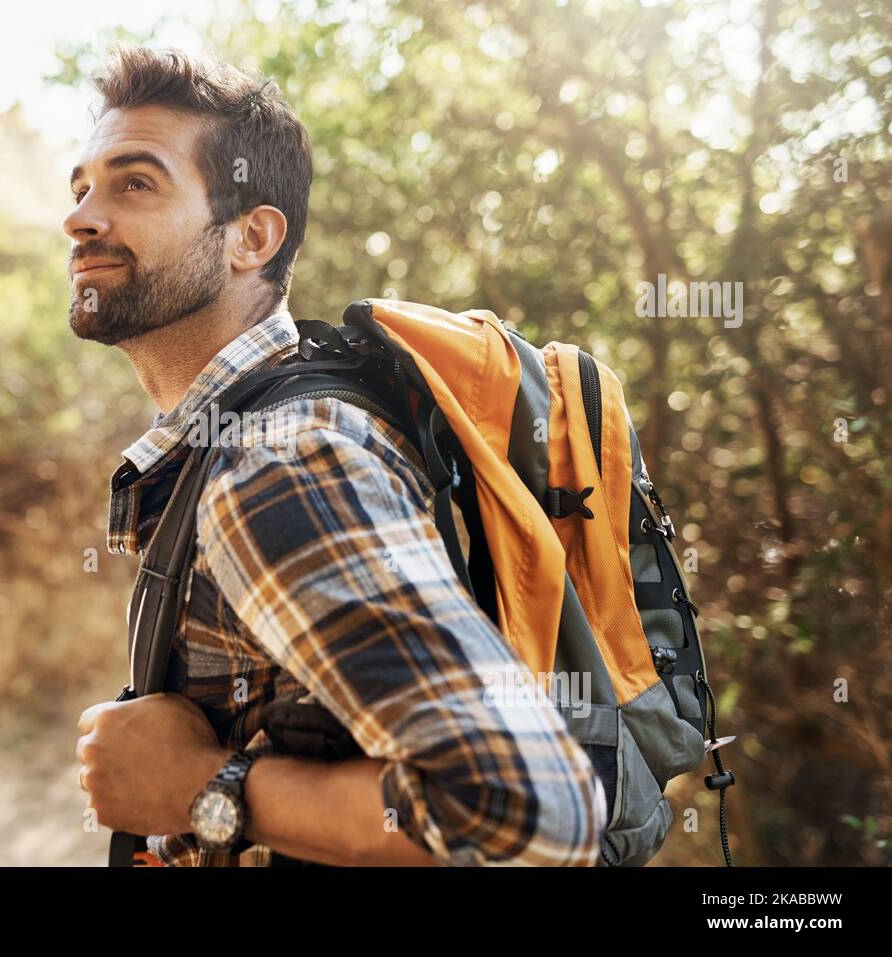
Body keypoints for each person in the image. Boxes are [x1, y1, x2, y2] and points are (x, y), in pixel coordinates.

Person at [68, 44, 608, 866]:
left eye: (135, 183)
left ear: (252, 237)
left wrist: (201, 789)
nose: (81, 217)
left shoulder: (280, 462)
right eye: (81, 187)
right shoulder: (257, 431)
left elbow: (532, 817)